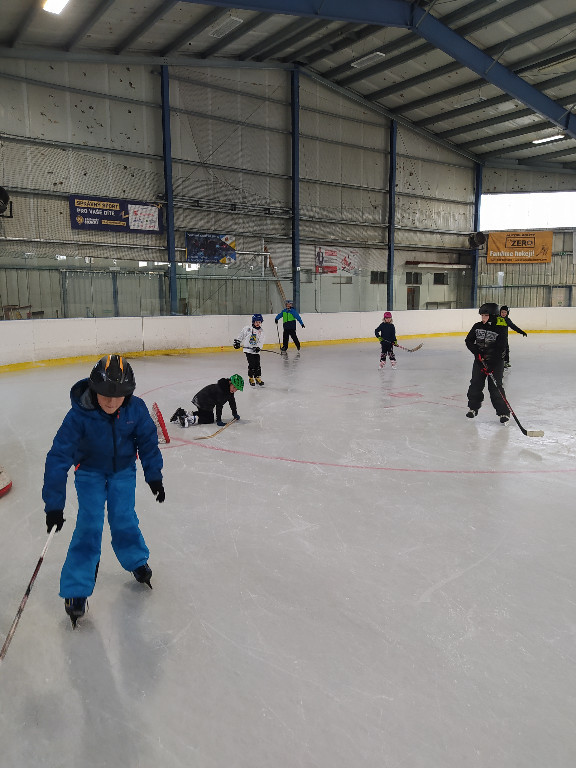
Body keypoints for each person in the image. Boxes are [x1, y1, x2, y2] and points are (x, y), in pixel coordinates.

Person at [42, 354, 164, 626]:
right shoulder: (79, 416)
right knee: (89, 524)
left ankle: (136, 559)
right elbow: (58, 457)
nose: (111, 402)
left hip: (123, 472)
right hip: (89, 473)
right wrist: (54, 505)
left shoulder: (135, 409)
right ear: (94, 388)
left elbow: (147, 442)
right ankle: (76, 589)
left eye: (118, 396)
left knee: (124, 517)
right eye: (105, 395)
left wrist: (154, 476)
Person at [465, 302, 510, 423]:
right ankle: (473, 408)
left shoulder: (500, 328)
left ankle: (503, 412)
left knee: (495, 387)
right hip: (480, 361)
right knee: (475, 384)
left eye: (486, 315)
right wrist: (477, 353)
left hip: (495, 363)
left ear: (493, 316)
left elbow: (501, 347)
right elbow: (468, 341)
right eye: (482, 316)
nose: (483, 318)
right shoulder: (477, 326)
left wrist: (492, 364)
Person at [170, 374, 243, 427]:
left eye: (236, 389)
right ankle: (188, 419)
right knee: (209, 419)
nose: (234, 390)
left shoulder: (228, 390)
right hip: (203, 400)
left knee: (204, 414)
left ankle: (183, 412)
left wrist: (234, 413)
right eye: (234, 387)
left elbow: (232, 401)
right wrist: (219, 420)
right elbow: (219, 406)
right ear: (230, 382)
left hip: (203, 399)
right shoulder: (222, 391)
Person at [234, 314, 265, 386]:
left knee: (257, 364)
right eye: (256, 322)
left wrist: (258, 347)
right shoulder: (247, 328)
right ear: (253, 322)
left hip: (256, 351)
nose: (258, 324)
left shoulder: (261, 331)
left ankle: (257, 377)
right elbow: (241, 335)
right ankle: (251, 377)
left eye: (259, 322)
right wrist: (238, 342)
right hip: (248, 350)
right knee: (252, 364)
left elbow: (261, 341)